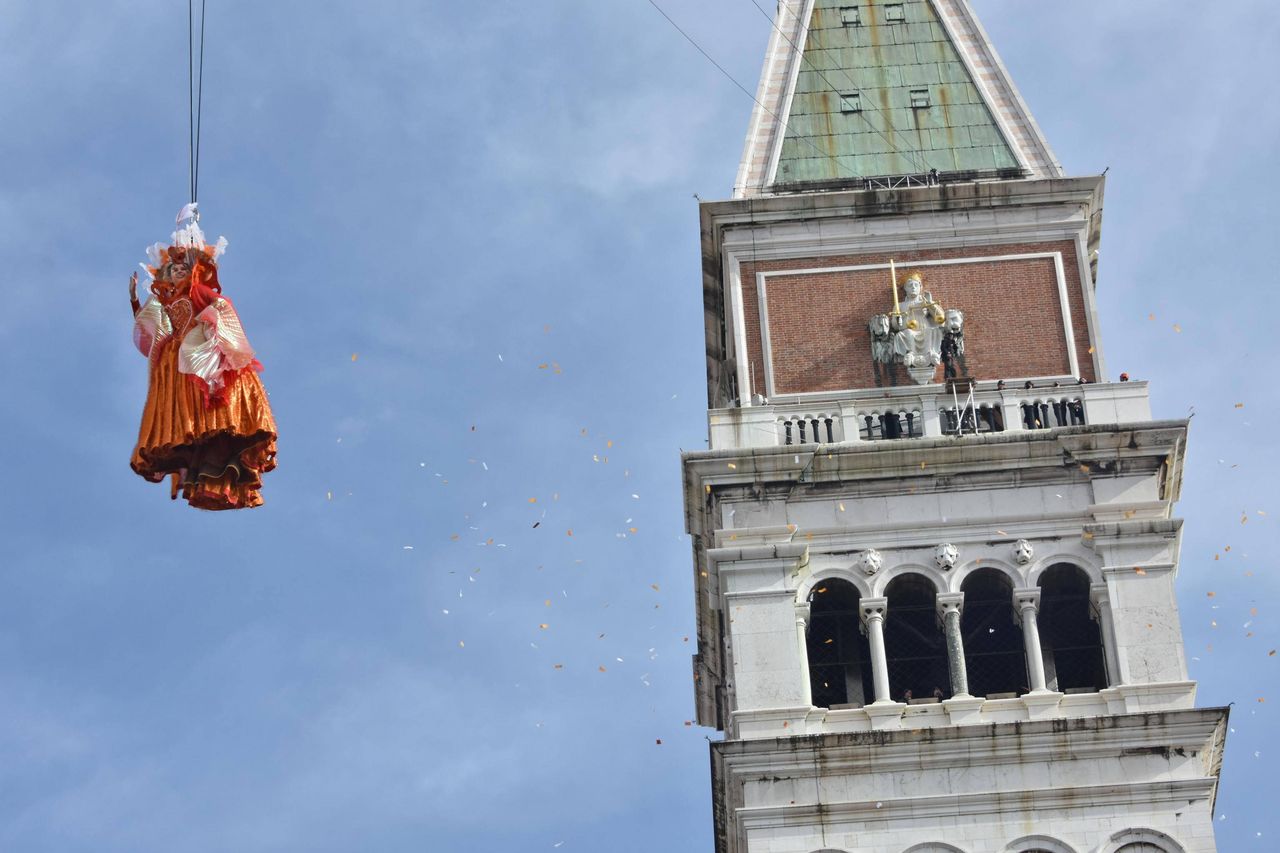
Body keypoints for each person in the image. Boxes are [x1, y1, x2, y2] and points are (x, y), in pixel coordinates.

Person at [129, 224, 276, 510]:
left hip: (198, 353)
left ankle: (215, 458)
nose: (178, 271)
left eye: (182, 267)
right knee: (193, 420)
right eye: (172, 269)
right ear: (165, 278)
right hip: (176, 365)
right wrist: (135, 301)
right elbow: (151, 329)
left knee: (214, 415)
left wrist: (212, 324)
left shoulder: (198, 293)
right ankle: (199, 461)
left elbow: (221, 307)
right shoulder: (165, 304)